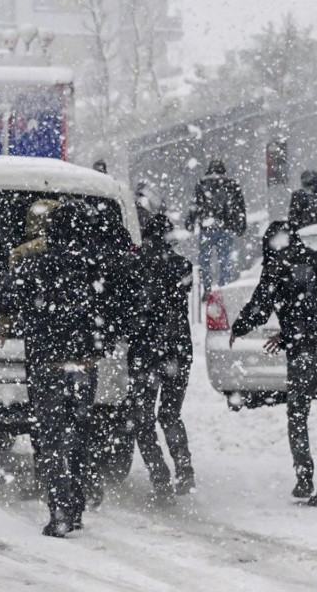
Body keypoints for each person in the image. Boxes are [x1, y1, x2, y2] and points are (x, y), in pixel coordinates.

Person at [0, 202, 110, 538]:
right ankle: (76, 505)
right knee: (79, 434)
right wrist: (95, 348)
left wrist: (6, 325)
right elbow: (114, 309)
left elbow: (1, 297)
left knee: (50, 437)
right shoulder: (93, 265)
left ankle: (59, 507)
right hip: (83, 365)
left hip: (47, 363)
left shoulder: (31, 264)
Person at [229, 221, 317, 507]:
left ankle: (304, 477)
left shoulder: (276, 268)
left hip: (306, 352)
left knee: (298, 414)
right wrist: (289, 334)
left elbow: (261, 307)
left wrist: (241, 326)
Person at [128, 210, 195, 502]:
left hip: (145, 353)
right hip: (177, 349)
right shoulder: (182, 265)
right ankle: (184, 469)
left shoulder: (134, 266)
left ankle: (160, 479)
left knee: (142, 420)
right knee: (170, 414)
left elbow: (127, 307)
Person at [185, 160, 246, 291]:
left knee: (204, 259)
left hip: (207, 228)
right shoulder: (232, 184)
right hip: (226, 227)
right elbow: (239, 207)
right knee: (224, 261)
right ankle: (223, 289)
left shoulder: (202, 184)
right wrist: (240, 225)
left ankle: (206, 286)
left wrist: (190, 222)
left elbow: (195, 206)